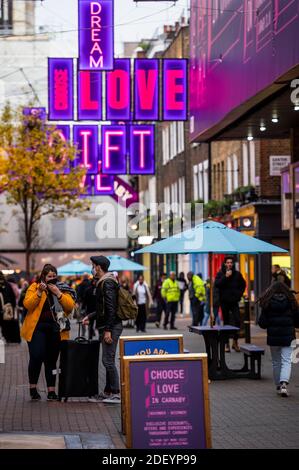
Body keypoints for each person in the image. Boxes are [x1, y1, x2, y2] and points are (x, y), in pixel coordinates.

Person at [21, 264, 76, 401]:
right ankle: (33, 388)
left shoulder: (62, 288)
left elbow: (70, 306)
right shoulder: (34, 287)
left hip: (56, 328)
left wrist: (58, 293)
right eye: (49, 277)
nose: (52, 279)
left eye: (54, 276)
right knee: (37, 356)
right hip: (37, 328)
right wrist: (39, 293)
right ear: (43, 277)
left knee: (52, 359)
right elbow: (27, 305)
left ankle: (51, 390)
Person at [83, 255, 123, 404]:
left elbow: (111, 309)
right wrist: (90, 316)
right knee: (108, 360)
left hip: (111, 327)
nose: (92, 269)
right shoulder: (104, 281)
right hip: (106, 325)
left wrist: (108, 330)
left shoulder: (107, 283)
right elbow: (103, 309)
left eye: (93, 266)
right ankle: (108, 391)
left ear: (98, 267)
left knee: (108, 360)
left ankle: (116, 393)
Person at [257, 281, 299, 397]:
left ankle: (278, 385)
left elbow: (262, 323)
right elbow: (297, 320)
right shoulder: (291, 301)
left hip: (273, 337)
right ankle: (284, 383)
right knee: (286, 361)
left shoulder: (267, 302)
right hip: (288, 336)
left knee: (276, 362)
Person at [215, 256, 246, 352]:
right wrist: (225, 277)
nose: (229, 264)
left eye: (231, 262)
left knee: (237, 320)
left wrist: (239, 295)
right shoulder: (220, 273)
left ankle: (235, 342)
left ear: (232, 264)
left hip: (234, 301)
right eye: (227, 262)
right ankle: (226, 343)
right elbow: (217, 284)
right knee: (226, 323)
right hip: (224, 302)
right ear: (225, 264)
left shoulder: (237, 274)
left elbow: (243, 284)